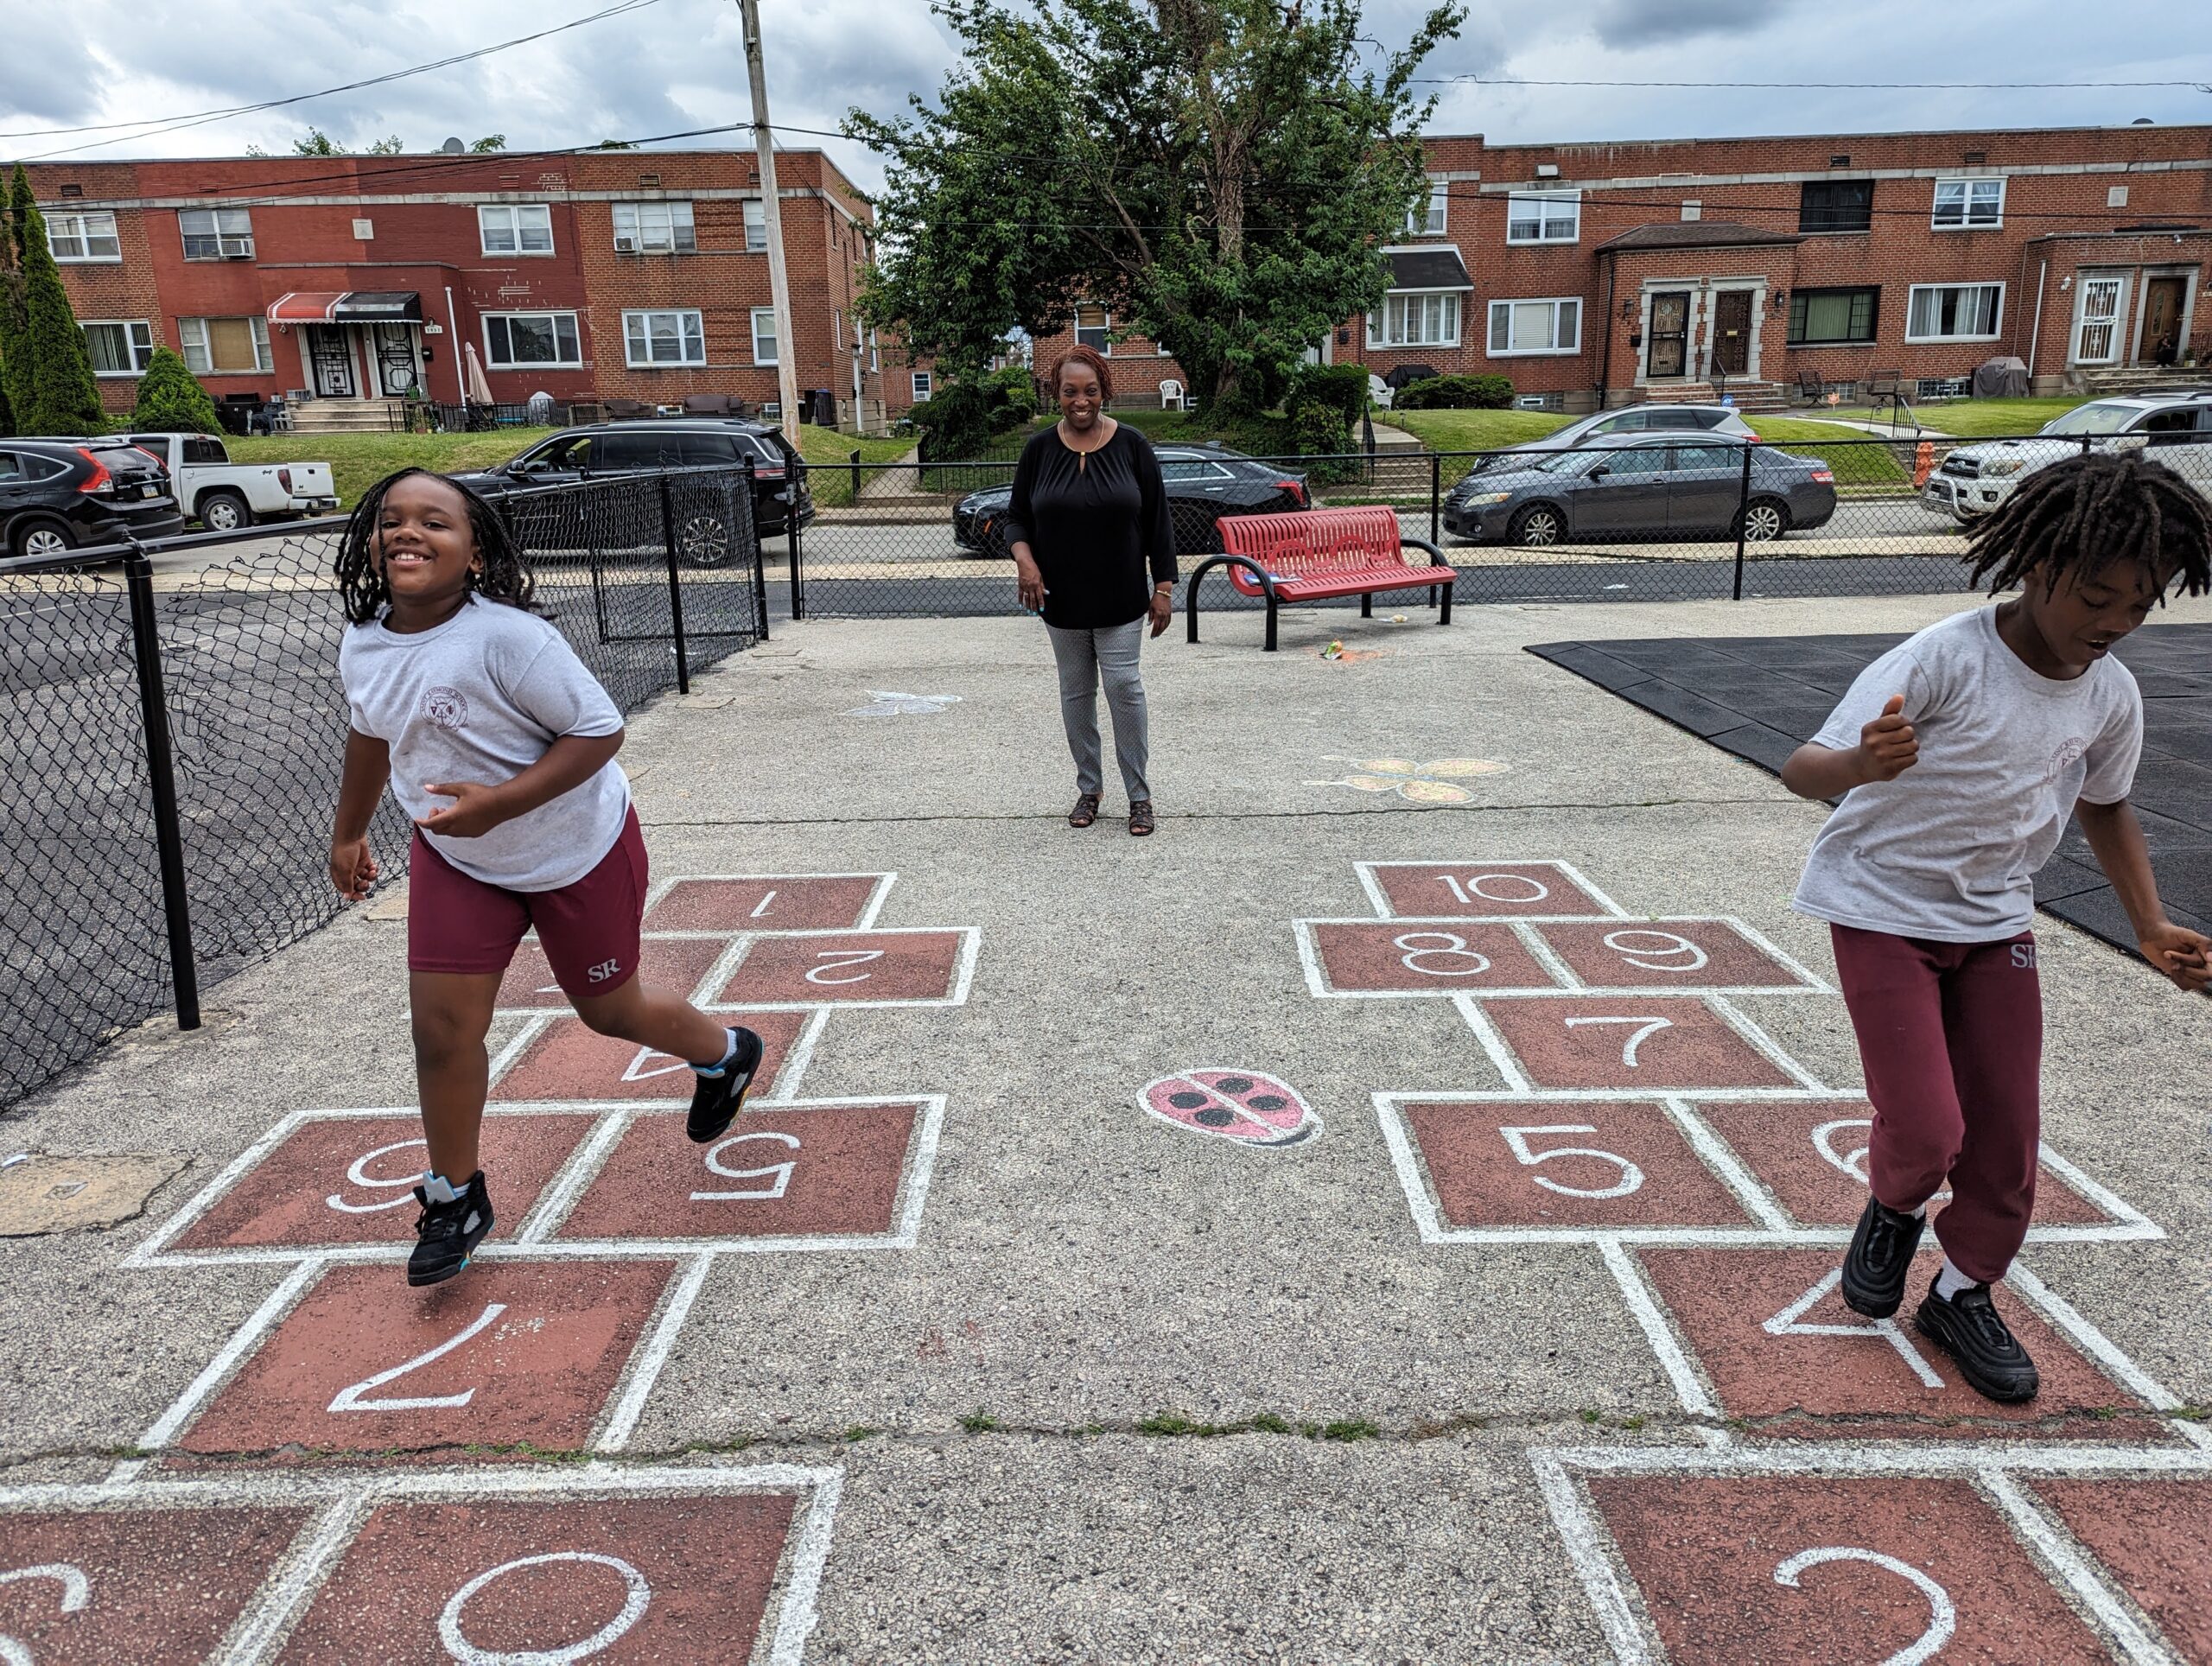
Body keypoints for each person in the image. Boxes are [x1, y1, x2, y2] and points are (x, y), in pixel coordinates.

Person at [1779, 451, 2211, 1403]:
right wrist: (1861, 763)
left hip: (1993, 918)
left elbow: (2106, 805)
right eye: (2097, 596)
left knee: (2009, 1133)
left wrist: (2148, 923)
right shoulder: (1944, 656)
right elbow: (1802, 768)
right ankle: (1894, 1205)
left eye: (2138, 606)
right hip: (1881, 905)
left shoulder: (2110, 694)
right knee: (1930, 1128)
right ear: (2037, 565)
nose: (2113, 623)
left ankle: (1964, 1288)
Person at [327, 467, 764, 1287]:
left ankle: (725, 1052)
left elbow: (597, 731)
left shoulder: (508, 638)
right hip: (460, 854)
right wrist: (348, 832)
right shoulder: (365, 640)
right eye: (392, 521)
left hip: (575, 848)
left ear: (478, 555)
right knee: (442, 1031)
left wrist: (501, 803)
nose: (408, 533)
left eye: (435, 522)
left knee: (609, 1011)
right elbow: (369, 736)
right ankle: (455, 1196)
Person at [1002, 345, 1177, 836]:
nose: (1081, 401)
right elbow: (1017, 518)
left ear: (1104, 392)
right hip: (1060, 599)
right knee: (1076, 694)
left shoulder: (1132, 445)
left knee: (1125, 689)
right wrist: (1026, 564)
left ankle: (1139, 797)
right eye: (1070, 392)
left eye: (1091, 391)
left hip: (1122, 596)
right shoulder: (1039, 450)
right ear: (1057, 394)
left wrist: (1162, 587)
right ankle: (1089, 788)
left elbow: (1157, 520)